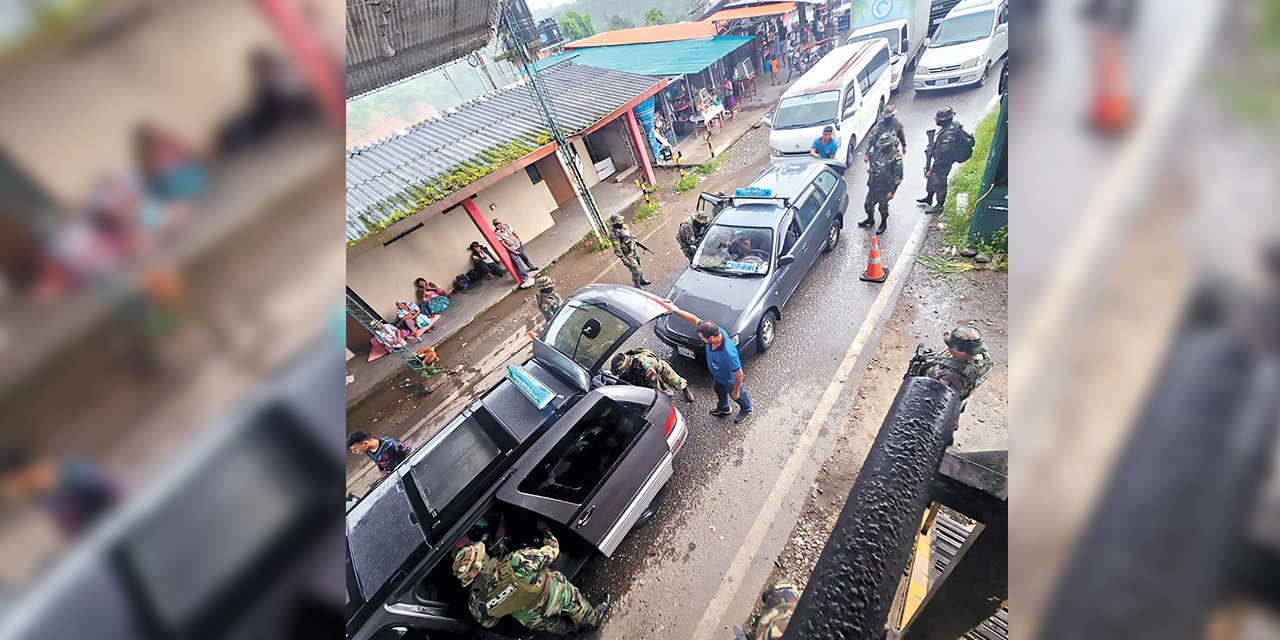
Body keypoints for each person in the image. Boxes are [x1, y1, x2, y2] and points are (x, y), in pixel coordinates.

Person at [454, 521, 610, 634]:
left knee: (555, 625)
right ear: (484, 556)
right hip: (552, 594)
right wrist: (546, 531)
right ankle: (593, 620)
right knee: (571, 598)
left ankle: (574, 631)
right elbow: (552, 552)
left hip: (530, 617)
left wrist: (507, 598)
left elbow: (490, 622)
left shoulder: (475, 602)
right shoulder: (515, 563)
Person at [662, 301, 752, 423]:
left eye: (702, 338)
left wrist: (735, 391)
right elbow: (694, 319)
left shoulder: (728, 352)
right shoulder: (713, 331)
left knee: (738, 396)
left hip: (730, 381)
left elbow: (739, 373)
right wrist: (674, 309)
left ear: (711, 338)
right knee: (719, 391)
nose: (701, 339)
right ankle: (723, 407)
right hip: (719, 377)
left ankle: (746, 409)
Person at [0, 450, 120, 538]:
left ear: (21, 473)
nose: (9, 491)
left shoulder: (72, 473)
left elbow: (117, 497)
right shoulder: (40, 498)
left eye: (9, 483)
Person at [906, 325, 993, 409]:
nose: (948, 348)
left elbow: (936, 398)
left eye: (951, 346)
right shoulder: (983, 356)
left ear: (961, 352)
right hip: (959, 398)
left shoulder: (952, 376)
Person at [135, 123, 208, 201]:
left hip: (195, 177)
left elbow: (192, 154)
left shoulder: (169, 143)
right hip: (178, 187)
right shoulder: (150, 161)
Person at [920, 107, 970, 214]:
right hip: (942, 159)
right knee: (932, 180)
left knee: (939, 182)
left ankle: (939, 205)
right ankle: (929, 197)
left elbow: (943, 156)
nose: (936, 120)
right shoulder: (952, 126)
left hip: (943, 162)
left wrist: (932, 170)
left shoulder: (948, 135)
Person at [611, 348, 695, 404]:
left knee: (675, 382)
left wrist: (665, 396)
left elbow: (655, 388)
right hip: (642, 372)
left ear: (627, 366)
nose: (621, 374)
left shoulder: (646, 366)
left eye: (621, 372)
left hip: (658, 367)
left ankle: (685, 389)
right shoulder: (626, 364)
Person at [860, 133, 904, 234]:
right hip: (873, 185)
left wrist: (892, 191)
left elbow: (898, 177)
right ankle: (870, 219)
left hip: (885, 188)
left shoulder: (895, 157)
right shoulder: (879, 151)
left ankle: (883, 223)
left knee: (883, 208)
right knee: (868, 205)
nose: (881, 147)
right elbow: (873, 160)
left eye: (883, 145)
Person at [347, 430, 413, 478]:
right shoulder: (368, 451)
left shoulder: (390, 444)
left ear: (365, 444)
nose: (354, 452)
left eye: (355, 449)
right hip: (396, 475)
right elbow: (378, 461)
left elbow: (412, 452)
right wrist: (380, 470)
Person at [608, 214, 650, 288]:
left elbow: (630, 235)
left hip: (632, 250)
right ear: (615, 223)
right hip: (626, 254)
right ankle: (636, 284)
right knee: (636, 269)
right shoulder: (613, 234)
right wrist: (624, 259)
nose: (622, 221)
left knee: (639, 265)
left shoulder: (625, 226)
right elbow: (617, 249)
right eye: (619, 221)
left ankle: (641, 280)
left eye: (621, 220)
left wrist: (635, 242)